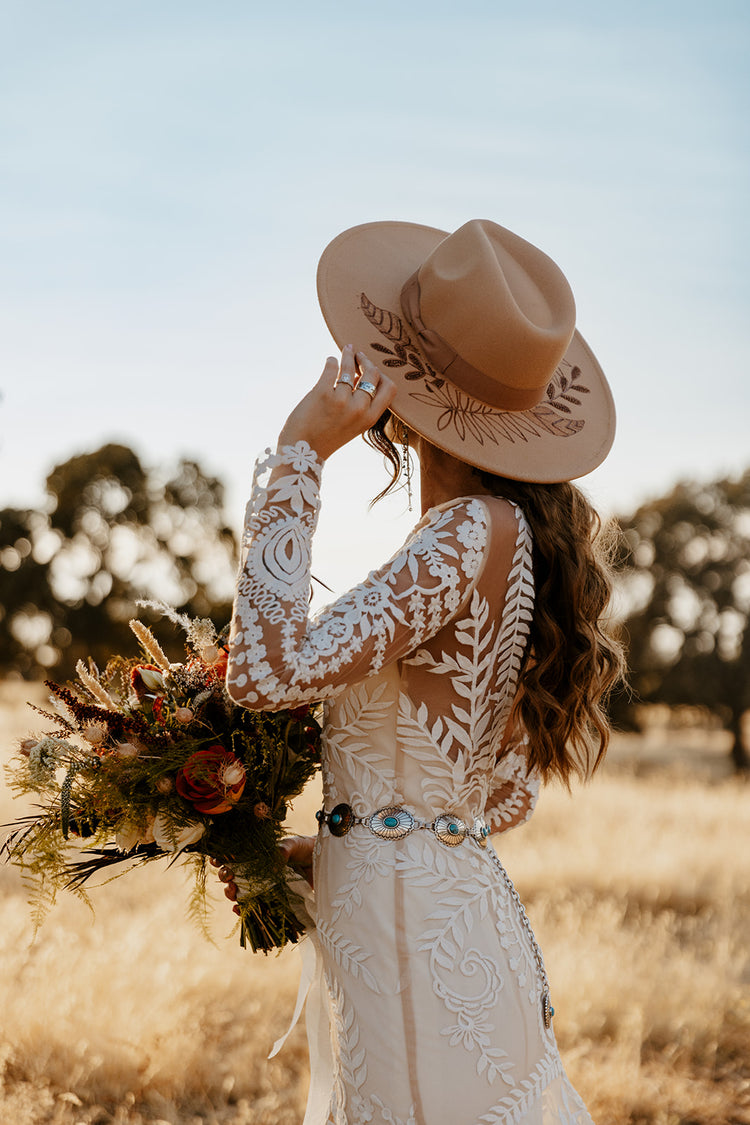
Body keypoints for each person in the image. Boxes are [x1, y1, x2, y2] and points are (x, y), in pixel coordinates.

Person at [223, 219, 624, 1125]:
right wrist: (341, 845)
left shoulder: (465, 533)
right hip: (444, 913)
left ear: (412, 390)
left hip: (408, 933)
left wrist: (300, 452)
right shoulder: (516, 544)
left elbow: (264, 667)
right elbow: (499, 795)